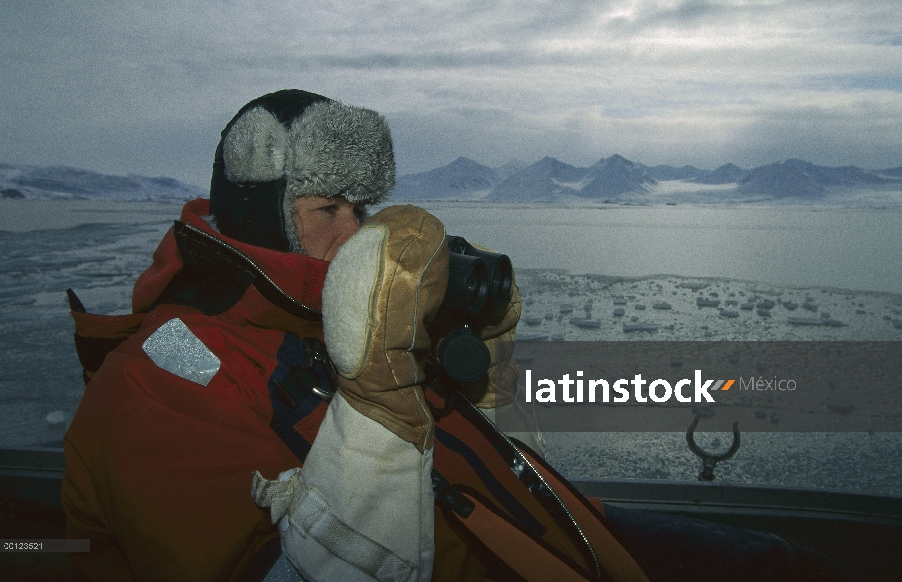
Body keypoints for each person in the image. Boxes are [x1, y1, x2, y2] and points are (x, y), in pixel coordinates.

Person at [63, 89, 838, 582]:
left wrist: (480, 373)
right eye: (328, 209)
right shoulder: (159, 379)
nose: (353, 232)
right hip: (476, 555)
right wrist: (374, 393)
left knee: (774, 561)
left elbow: (464, 461)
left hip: (524, 528)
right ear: (260, 210)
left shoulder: (317, 324)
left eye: (361, 211)